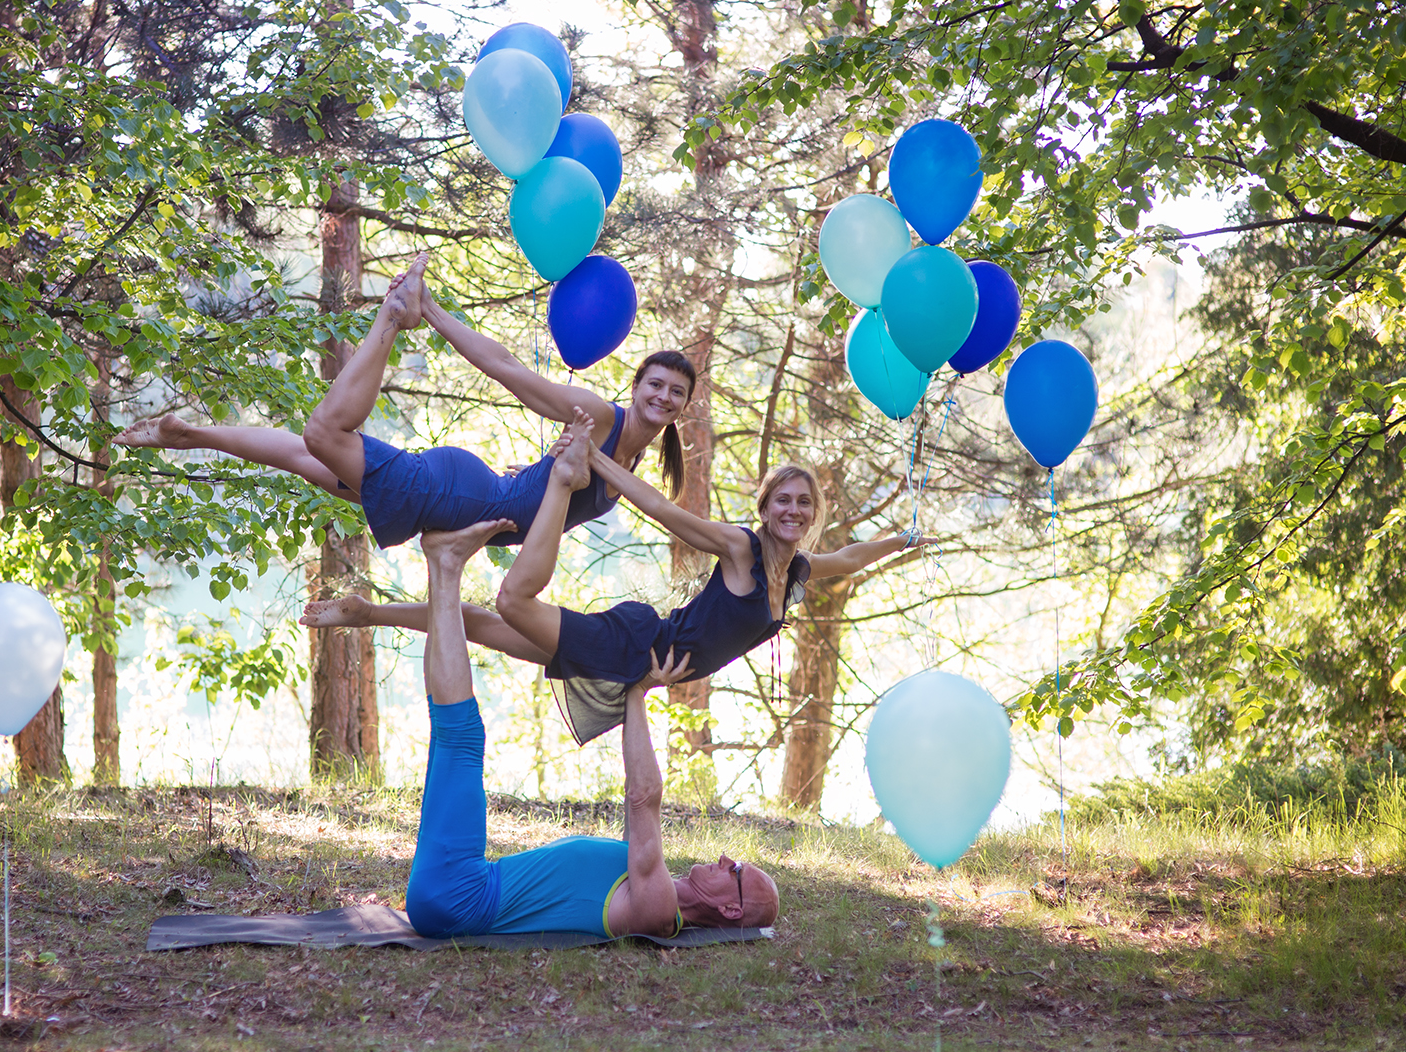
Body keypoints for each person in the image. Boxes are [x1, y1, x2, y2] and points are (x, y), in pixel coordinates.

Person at [305, 415, 932, 741]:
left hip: (641, 665)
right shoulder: (741, 547)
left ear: (813, 514)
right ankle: (530, 502)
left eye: (804, 504)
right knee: (513, 602)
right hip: (634, 645)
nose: (793, 512)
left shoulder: (794, 571)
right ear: (765, 508)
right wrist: (593, 459)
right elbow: (662, 510)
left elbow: (848, 560)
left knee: (487, 629)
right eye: (782, 501)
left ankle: (368, 611)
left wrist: (904, 538)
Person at [114, 255, 698, 548]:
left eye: (676, 393)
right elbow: (511, 372)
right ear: (635, 386)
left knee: (304, 457)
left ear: (684, 406)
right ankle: (391, 320)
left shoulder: (635, 457)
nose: (663, 397)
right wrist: (434, 315)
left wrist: (540, 475)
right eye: (655, 385)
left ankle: (187, 434)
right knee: (323, 435)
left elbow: (555, 501)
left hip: (469, 497)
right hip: (464, 496)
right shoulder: (601, 417)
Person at [404, 517, 779, 940]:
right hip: (457, 891)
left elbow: (643, 796)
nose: (729, 859)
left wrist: (637, 690)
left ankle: (446, 565)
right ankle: (441, 567)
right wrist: (636, 690)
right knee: (449, 733)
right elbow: (635, 807)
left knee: (462, 738)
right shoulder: (650, 877)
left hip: (461, 897)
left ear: (730, 909)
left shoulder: (658, 908)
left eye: (739, 872)